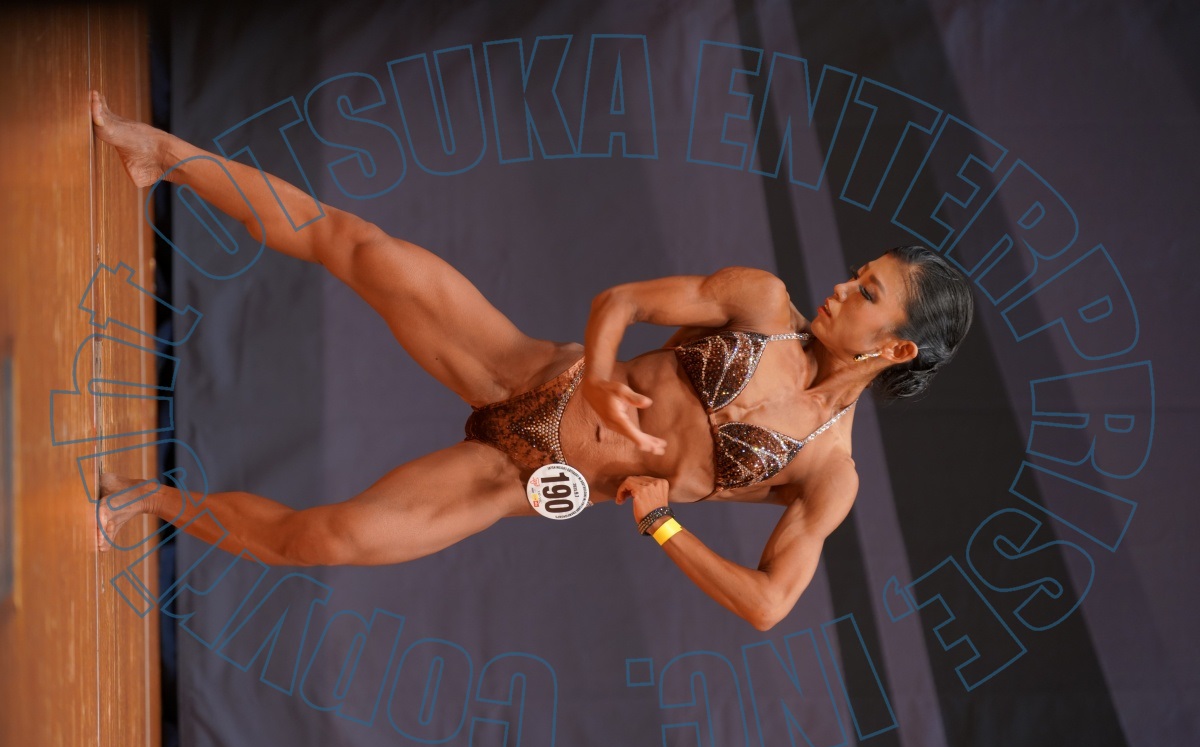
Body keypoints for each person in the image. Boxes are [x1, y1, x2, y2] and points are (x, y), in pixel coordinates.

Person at [90, 91, 973, 631]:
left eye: (867, 292)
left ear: (895, 347)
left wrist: (664, 526)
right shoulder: (763, 304)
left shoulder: (828, 474)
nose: (842, 287)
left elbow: (768, 605)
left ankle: (155, 501)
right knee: (360, 246)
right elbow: (620, 303)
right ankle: (166, 157)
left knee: (321, 540)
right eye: (859, 272)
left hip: (522, 476)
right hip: (526, 371)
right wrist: (601, 374)